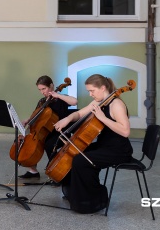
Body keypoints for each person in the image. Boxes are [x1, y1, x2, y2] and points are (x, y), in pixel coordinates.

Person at [53, 74, 133, 214]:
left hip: (119, 151)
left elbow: (125, 131)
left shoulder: (116, 105)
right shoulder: (99, 102)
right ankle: (73, 194)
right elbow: (79, 114)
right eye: (89, 91)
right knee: (73, 153)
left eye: (92, 91)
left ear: (103, 88)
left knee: (81, 161)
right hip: (104, 146)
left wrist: (102, 118)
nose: (90, 94)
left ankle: (94, 200)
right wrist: (66, 119)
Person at [19, 75, 77, 180]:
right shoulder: (42, 101)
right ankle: (33, 171)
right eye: (40, 90)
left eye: (44, 89)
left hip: (60, 131)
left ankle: (57, 172)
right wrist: (27, 120)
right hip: (45, 131)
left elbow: (74, 101)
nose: (42, 92)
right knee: (27, 143)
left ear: (51, 86)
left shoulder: (60, 99)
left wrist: (58, 95)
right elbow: (35, 115)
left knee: (49, 144)